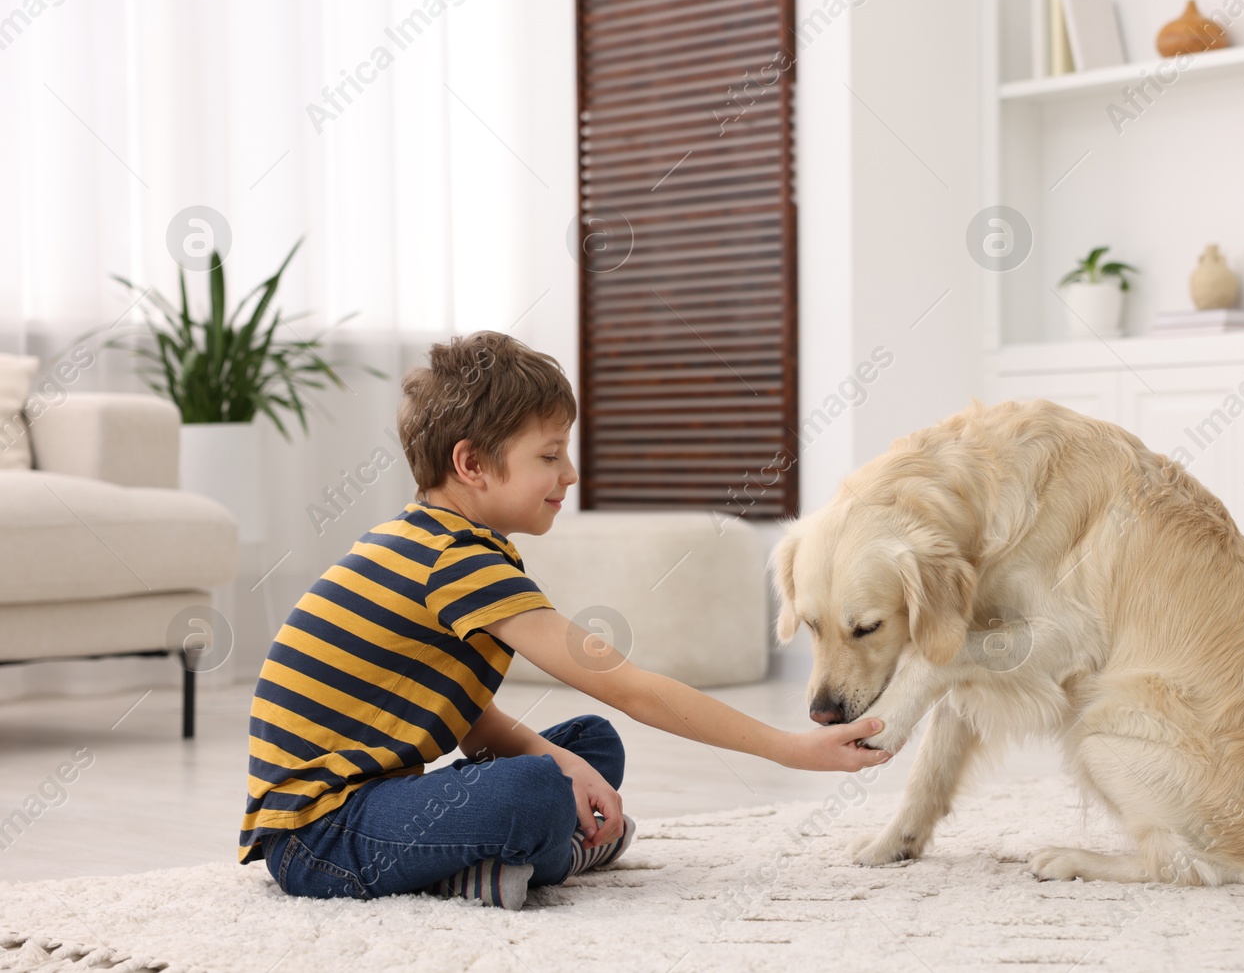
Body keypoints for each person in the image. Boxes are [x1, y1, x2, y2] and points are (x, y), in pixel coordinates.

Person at [237, 331, 889, 909]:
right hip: (315, 838)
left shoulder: (441, 542)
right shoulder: (453, 560)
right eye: (549, 456)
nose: (570, 474)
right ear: (471, 464)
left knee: (589, 745)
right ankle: (481, 869)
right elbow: (632, 687)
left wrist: (565, 763)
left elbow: (469, 720)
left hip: (364, 811)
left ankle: (509, 857)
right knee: (537, 793)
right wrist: (794, 749)